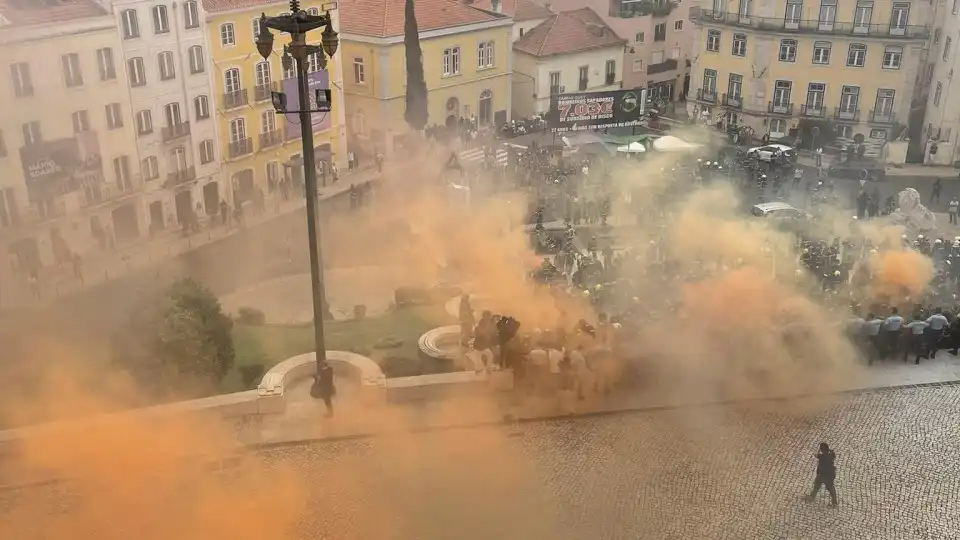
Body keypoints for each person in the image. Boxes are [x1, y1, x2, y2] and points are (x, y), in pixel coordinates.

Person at [804, 442, 838, 507]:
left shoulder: (821, 457)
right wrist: (829, 450)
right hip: (829, 474)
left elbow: (816, 454)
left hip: (823, 474)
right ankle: (812, 496)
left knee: (829, 487)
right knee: (819, 485)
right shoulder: (832, 455)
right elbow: (832, 453)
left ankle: (834, 503)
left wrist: (819, 450)